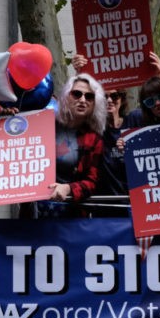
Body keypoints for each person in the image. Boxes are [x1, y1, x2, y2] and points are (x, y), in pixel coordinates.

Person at [37, 72, 106, 215]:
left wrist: (68, 188)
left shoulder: (94, 139)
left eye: (89, 96)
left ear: (95, 103)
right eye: (76, 94)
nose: (82, 100)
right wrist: (6, 115)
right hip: (35, 213)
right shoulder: (44, 123)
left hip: (71, 216)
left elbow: (93, 182)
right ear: (66, 96)